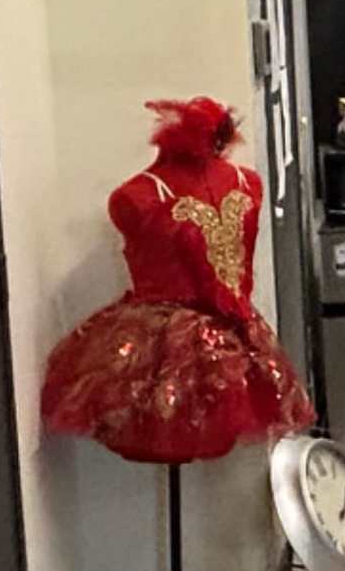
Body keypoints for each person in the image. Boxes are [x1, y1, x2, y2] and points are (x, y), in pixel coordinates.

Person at [38, 97, 313, 462]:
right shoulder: (136, 196)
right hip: (159, 345)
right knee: (164, 422)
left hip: (238, 331)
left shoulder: (248, 183)